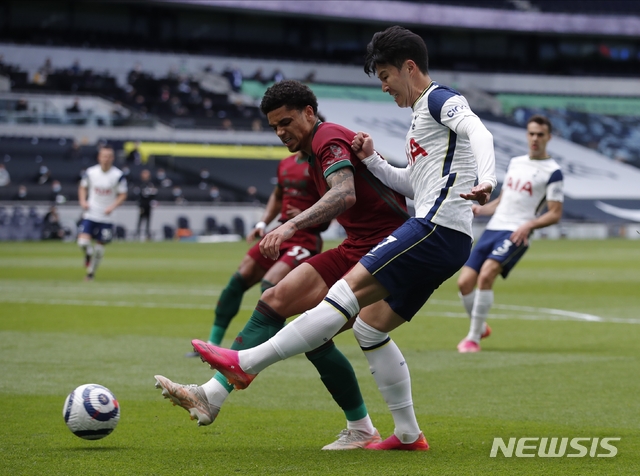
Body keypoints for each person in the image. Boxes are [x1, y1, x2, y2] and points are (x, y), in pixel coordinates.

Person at [190, 26, 497, 451]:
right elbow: (412, 183)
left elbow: (480, 132)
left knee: (341, 294)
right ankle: (408, 436)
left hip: (435, 228)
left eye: (386, 76)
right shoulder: (419, 118)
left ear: (409, 67)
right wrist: (374, 160)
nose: (385, 86)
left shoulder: (441, 99)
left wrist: (488, 180)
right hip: (441, 233)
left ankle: (245, 364)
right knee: (370, 330)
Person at [154, 79, 410, 450]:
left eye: (286, 122)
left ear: (309, 112)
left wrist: (288, 225)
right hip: (357, 247)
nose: (280, 132)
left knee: (314, 332)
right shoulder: (309, 156)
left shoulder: (327, 138)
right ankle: (212, 397)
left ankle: (372, 430)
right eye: (275, 126)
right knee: (276, 300)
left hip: (387, 252)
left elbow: (345, 192)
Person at [185, 150, 327, 355]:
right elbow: (277, 196)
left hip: (305, 238)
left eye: (286, 124)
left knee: (270, 285)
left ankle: (270, 347)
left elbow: (336, 203)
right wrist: (262, 223)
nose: (282, 132)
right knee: (237, 280)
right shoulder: (286, 163)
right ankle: (213, 343)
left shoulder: (322, 165)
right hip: (278, 233)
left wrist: (308, 216)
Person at [456, 114, 563, 353]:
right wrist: (481, 210)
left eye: (540, 134)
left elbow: (555, 213)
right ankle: (481, 327)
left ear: (549, 137)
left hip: (516, 233)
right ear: (527, 135)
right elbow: (504, 200)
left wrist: (528, 225)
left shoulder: (553, 172)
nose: (535, 138)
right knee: (464, 283)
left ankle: (473, 338)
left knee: (486, 276)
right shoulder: (516, 162)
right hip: (494, 228)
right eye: (531, 133)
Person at [77, 145, 127, 281]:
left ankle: (90, 273)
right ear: (99, 157)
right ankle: (87, 254)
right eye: (104, 156)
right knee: (82, 242)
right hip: (91, 213)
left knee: (99, 249)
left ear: (113, 158)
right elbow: (82, 187)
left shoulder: (118, 176)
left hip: (107, 217)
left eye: (109, 156)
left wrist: (112, 206)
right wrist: (83, 201)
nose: (106, 159)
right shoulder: (91, 172)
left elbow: (123, 194)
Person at [135, 169, 157, 241]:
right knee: (140, 219)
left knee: (148, 220)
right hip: (142, 204)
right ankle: (138, 233)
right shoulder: (140, 183)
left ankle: (147, 234)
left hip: (149, 204)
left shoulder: (151, 183)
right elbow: (138, 194)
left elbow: (153, 193)